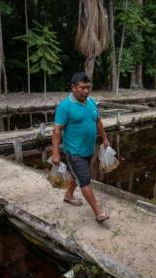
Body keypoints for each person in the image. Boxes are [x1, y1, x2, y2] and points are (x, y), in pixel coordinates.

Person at [51, 72, 110, 222]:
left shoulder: (91, 102)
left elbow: (97, 121)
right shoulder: (65, 106)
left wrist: (104, 138)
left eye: (88, 88)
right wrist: (55, 152)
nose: (86, 91)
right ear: (73, 87)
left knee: (76, 175)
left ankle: (68, 195)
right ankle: (98, 212)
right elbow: (57, 130)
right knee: (84, 179)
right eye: (82, 88)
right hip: (73, 151)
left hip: (89, 150)